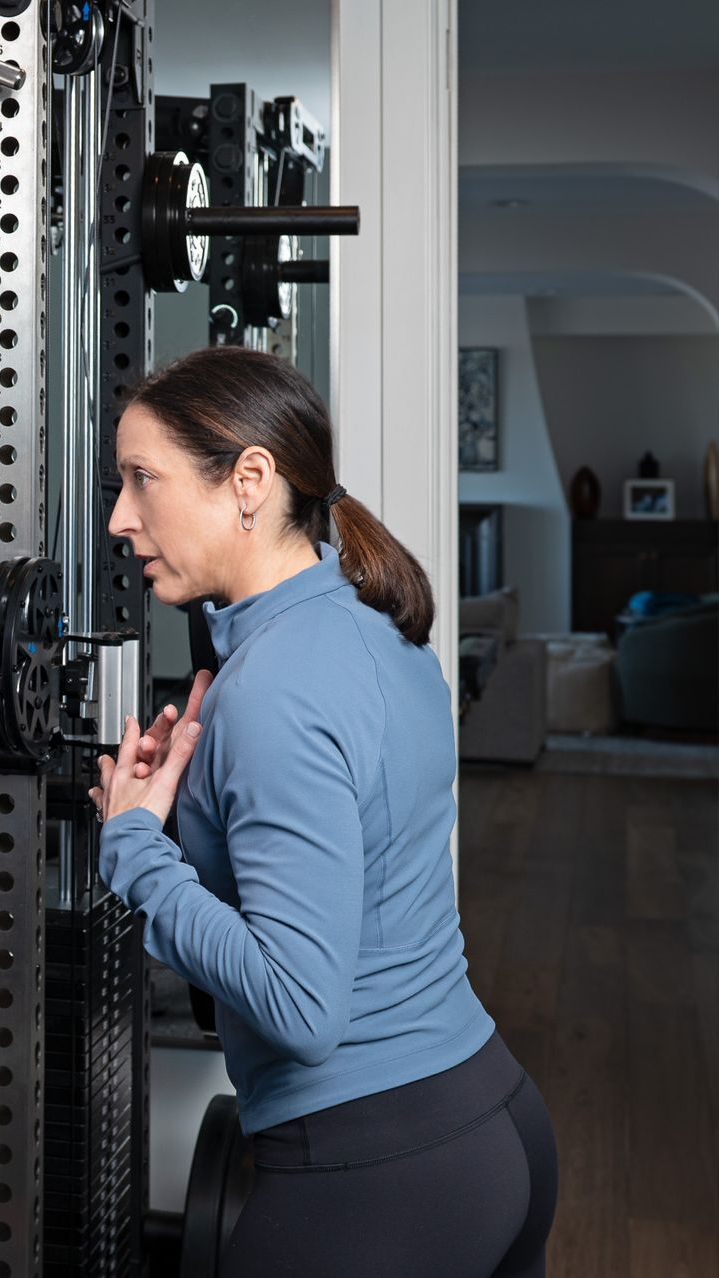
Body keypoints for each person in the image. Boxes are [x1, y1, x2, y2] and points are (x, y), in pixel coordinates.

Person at [88, 347, 557, 1276]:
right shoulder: (369, 621)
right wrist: (190, 812)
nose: (119, 518)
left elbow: (302, 1006)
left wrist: (137, 850)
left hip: (380, 1175)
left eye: (144, 480)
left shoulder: (271, 689)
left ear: (249, 480)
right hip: (494, 1118)